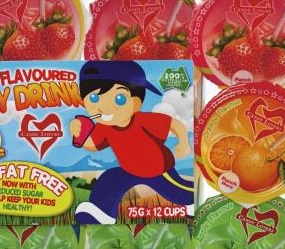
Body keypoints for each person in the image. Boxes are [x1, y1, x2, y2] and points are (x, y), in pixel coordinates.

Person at [70, 60, 193, 224]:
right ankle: (100, 213)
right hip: (128, 170)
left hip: (157, 169)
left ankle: (192, 200)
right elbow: (93, 146)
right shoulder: (103, 127)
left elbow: (175, 125)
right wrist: (80, 134)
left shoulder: (144, 121)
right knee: (108, 181)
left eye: (119, 99)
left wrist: (184, 143)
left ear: (136, 102)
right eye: (94, 98)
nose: (104, 108)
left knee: (179, 191)